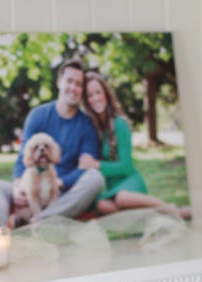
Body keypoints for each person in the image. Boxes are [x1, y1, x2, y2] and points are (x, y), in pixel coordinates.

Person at [0, 59, 104, 227]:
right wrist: (18, 187)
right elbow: (22, 157)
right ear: (60, 82)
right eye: (69, 81)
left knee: (95, 178)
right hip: (31, 185)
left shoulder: (86, 125)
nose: (73, 88)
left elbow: (85, 168)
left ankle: (41, 221)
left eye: (79, 84)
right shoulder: (38, 115)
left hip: (62, 194)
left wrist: (60, 183)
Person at [78, 72, 191, 218]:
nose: (95, 98)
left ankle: (173, 211)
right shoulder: (93, 129)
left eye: (98, 92)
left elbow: (126, 167)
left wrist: (96, 165)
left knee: (122, 199)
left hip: (129, 182)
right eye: (90, 95)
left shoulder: (120, 124)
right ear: (86, 101)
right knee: (102, 206)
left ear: (105, 94)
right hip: (113, 187)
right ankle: (150, 217)